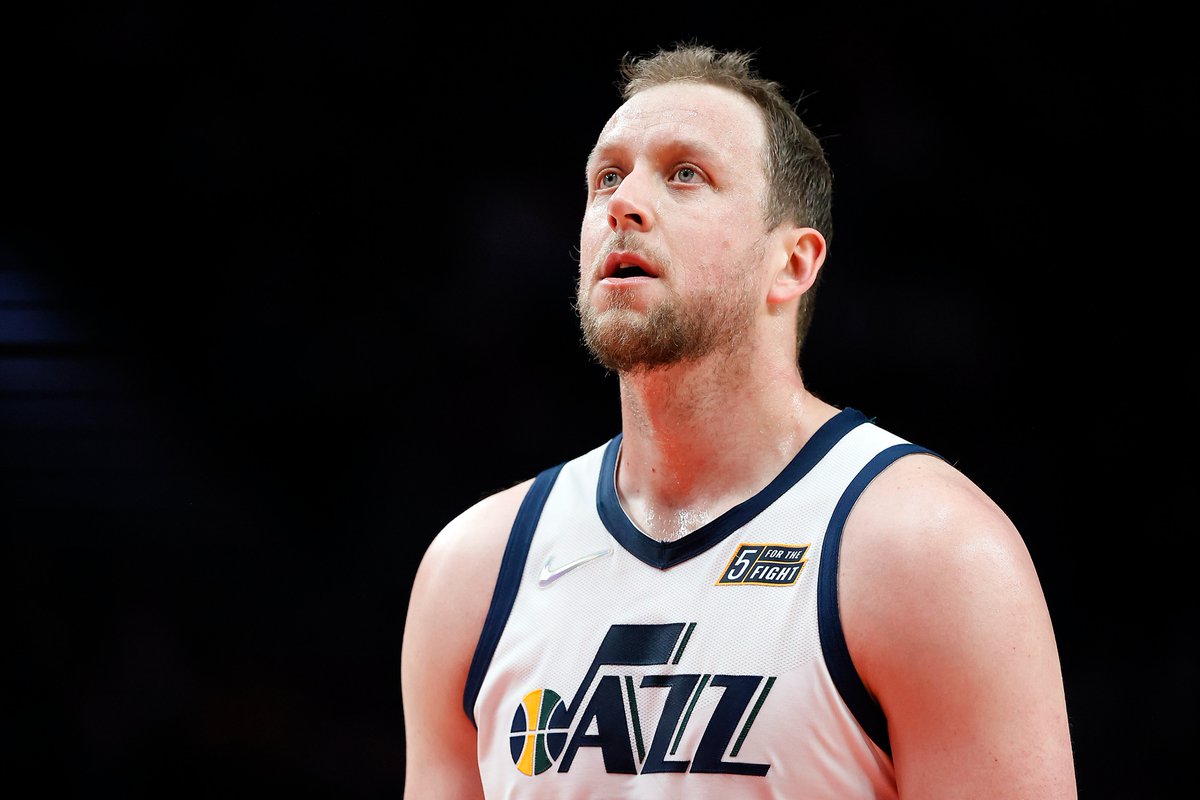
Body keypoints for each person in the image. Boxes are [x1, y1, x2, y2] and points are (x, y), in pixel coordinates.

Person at [401, 42, 1077, 799]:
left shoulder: (932, 555)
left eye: (686, 174)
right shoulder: (475, 571)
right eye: (607, 177)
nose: (624, 202)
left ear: (792, 263)